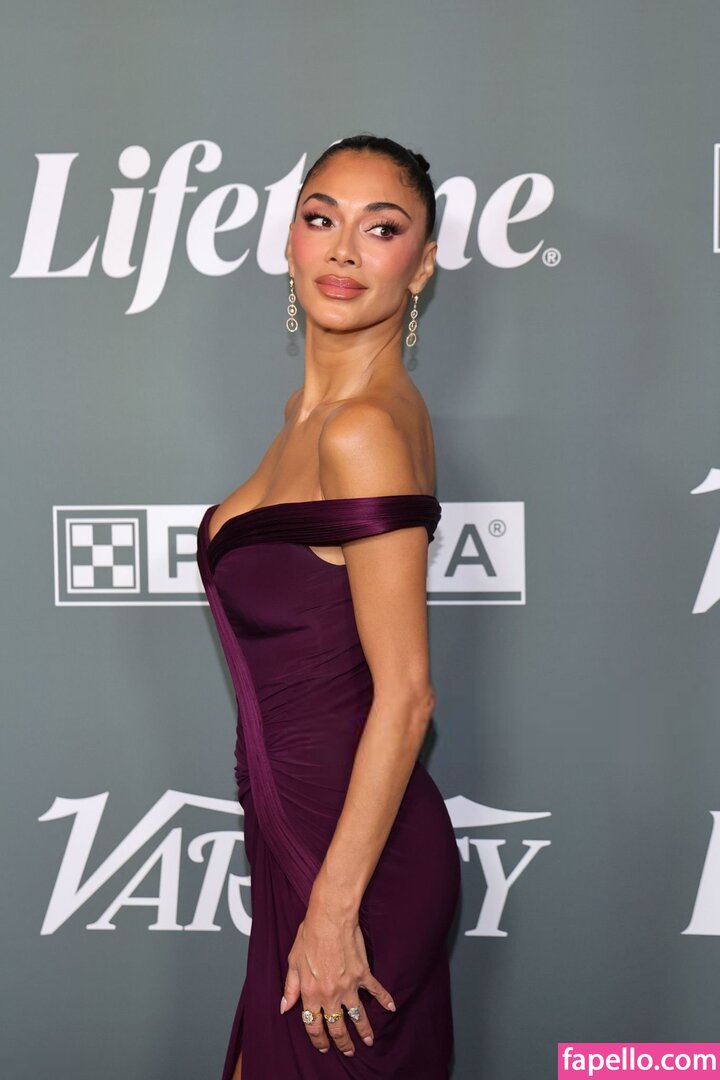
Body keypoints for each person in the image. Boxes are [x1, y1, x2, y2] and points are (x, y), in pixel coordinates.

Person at [196, 133, 461, 1079]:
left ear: (421, 266)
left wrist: (335, 909)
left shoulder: (365, 430)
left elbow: (408, 696)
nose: (344, 250)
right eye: (321, 219)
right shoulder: (303, 420)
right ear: (289, 240)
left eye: (381, 229)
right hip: (297, 834)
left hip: (354, 867)